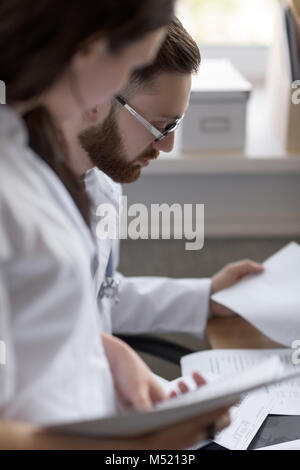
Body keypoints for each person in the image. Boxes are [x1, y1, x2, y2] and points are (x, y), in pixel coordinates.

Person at [0, 0, 231, 450]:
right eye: (134, 61)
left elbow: (63, 307)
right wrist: (139, 448)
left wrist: (109, 351)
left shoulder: (43, 170)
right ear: (88, 52)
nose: (166, 146)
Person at [58, 18, 264, 339]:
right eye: (158, 126)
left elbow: (100, 296)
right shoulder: (22, 202)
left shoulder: (103, 177)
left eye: (173, 127)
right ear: (96, 98)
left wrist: (205, 297)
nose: (166, 145)